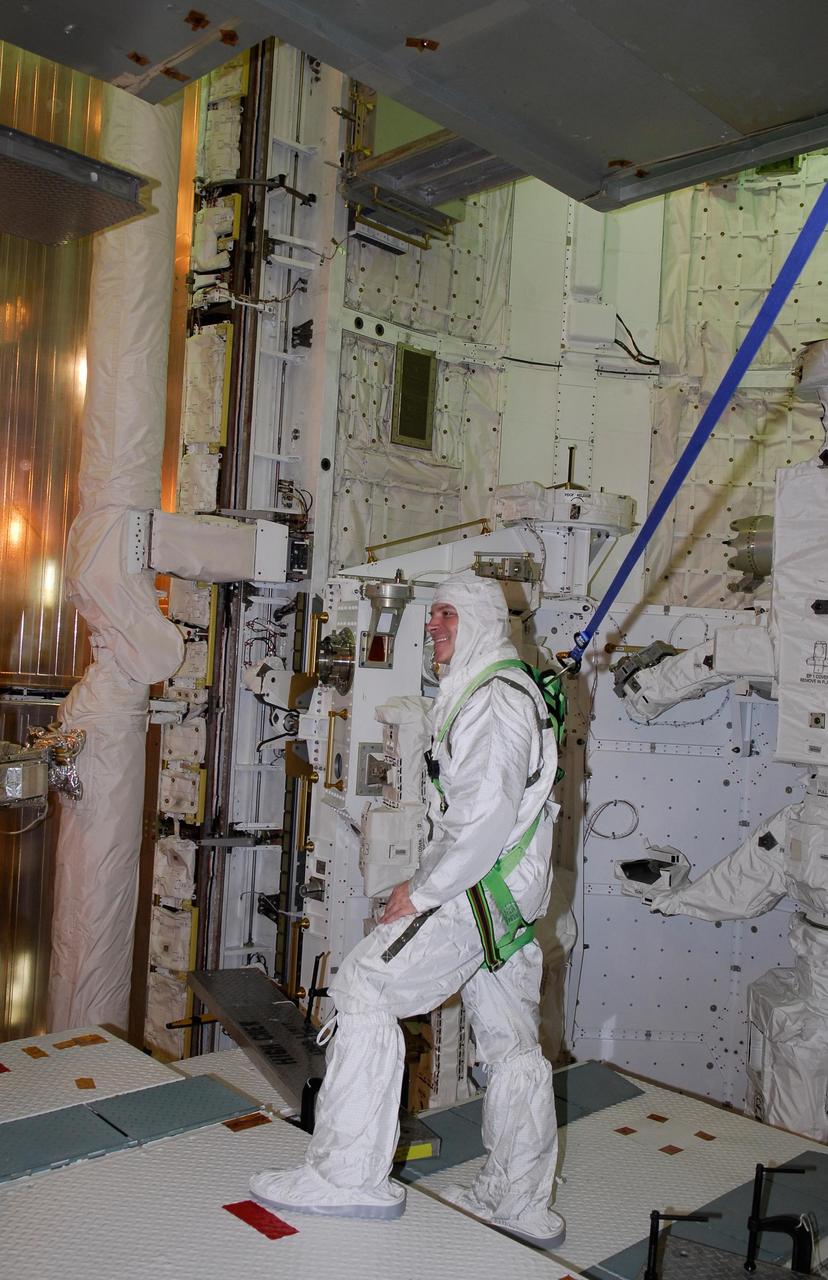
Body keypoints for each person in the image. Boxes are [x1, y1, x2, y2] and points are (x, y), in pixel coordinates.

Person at [250, 572, 565, 1248]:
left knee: (364, 987)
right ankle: (518, 1202)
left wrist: (420, 893)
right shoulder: (496, 689)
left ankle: (348, 1177)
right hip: (504, 903)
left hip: (476, 893)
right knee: (512, 1047)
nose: (435, 626)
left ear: (482, 620)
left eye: (449, 614)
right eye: (434, 615)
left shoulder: (494, 700)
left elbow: (482, 820)